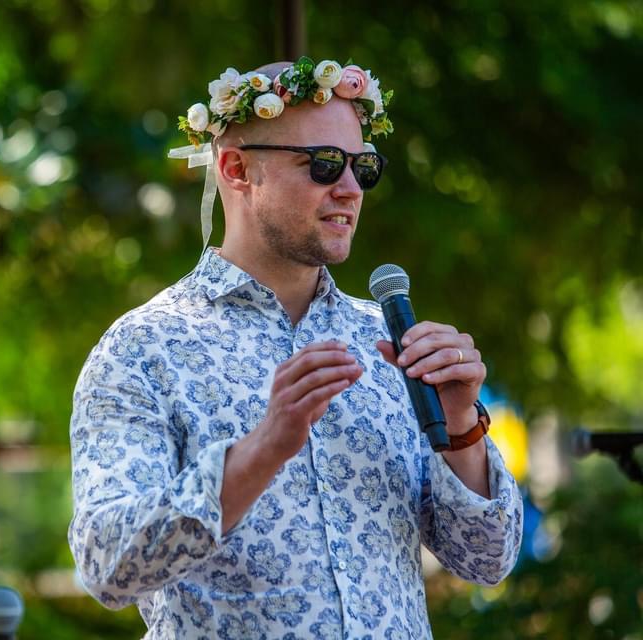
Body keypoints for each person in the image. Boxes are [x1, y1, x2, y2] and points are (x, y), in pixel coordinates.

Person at [68, 57, 523, 638]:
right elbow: (107, 565)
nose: (352, 189)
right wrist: (261, 451)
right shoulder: (144, 348)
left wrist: (461, 425)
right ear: (236, 169)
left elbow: (487, 560)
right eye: (324, 164)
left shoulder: (386, 342)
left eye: (364, 167)